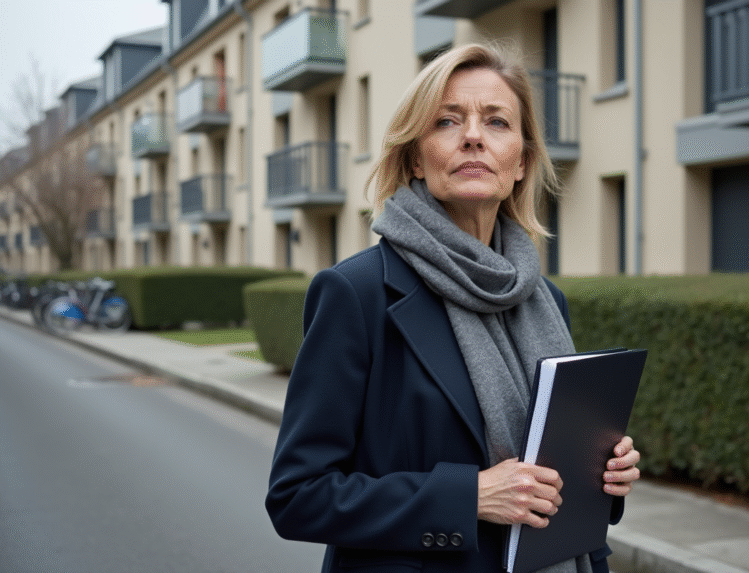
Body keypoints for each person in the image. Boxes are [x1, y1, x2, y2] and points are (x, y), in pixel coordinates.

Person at [265, 43, 641, 573]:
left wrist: (604, 472)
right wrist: (468, 497)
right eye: (446, 121)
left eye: (496, 121)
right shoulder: (357, 293)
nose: (473, 136)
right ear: (416, 158)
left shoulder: (545, 300)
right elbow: (298, 496)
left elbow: (549, 467)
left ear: (520, 163)